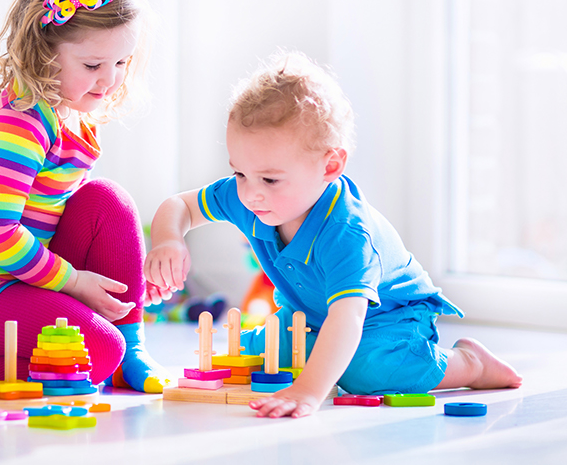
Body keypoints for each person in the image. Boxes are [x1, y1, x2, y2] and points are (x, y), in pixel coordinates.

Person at [144, 52, 522, 417]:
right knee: (262, 355)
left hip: (385, 319)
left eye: (270, 179)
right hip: (310, 315)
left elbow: (348, 318)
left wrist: (309, 391)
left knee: (367, 374)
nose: (250, 192)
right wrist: (168, 240)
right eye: (240, 173)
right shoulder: (251, 193)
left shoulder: (347, 234)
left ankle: (468, 363)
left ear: (330, 165)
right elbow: (179, 206)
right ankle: (317, 359)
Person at [0, 0, 170, 393]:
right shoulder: (19, 121)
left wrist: (126, 280)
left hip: (27, 275)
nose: (110, 80)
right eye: (93, 65)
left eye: (121, 62)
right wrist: (74, 282)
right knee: (97, 352)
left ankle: (131, 343)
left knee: (107, 199)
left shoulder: (71, 110)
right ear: (43, 51)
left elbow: (71, 219)